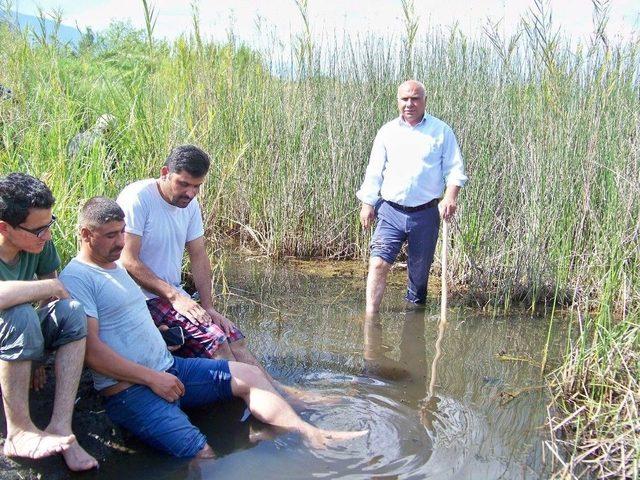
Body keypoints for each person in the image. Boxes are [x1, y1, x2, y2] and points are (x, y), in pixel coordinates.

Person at [59, 197, 366, 458]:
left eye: (123, 232)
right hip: (130, 391)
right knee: (203, 455)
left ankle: (308, 432)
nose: (121, 242)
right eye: (111, 235)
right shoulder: (77, 278)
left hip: (170, 369)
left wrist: (162, 337)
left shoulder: (115, 268)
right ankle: (242, 442)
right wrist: (153, 379)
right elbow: (93, 353)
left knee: (251, 374)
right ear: (86, 234)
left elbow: (127, 321)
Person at [116, 145, 300, 397]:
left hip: (171, 295)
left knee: (234, 337)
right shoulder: (138, 197)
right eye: (184, 184)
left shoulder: (189, 206)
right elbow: (128, 260)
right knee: (218, 343)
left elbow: (199, 256)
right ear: (165, 172)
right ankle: (250, 410)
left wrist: (209, 306)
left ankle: (280, 394)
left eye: (197, 186)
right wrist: (175, 296)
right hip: (141, 297)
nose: (190, 193)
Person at [0, 173, 98, 471]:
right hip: (10, 325)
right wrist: (48, 288)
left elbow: (52, 300)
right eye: (39, 230)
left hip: (12, 337)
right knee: (20, 313)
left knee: (71, 311)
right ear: (4, 227)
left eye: (49, 225)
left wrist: (36, 357)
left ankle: (60, 426)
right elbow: (46, 289)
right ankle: (18, 432)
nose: (48, 236)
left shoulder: (39, 244)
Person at [357, 80, 468, 313]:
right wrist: (368, 202)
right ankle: (370, 319)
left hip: (426, 214)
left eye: (415, 98)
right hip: (390, 210)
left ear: (425, 101)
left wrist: (450, 197)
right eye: (404, 99)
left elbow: (455, 170)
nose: (410, 104)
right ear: (398, 101)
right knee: (378, 263)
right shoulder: (387, 132)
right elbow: (374, 171)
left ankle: (413, 330)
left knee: (418, 281)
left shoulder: (441, 131)